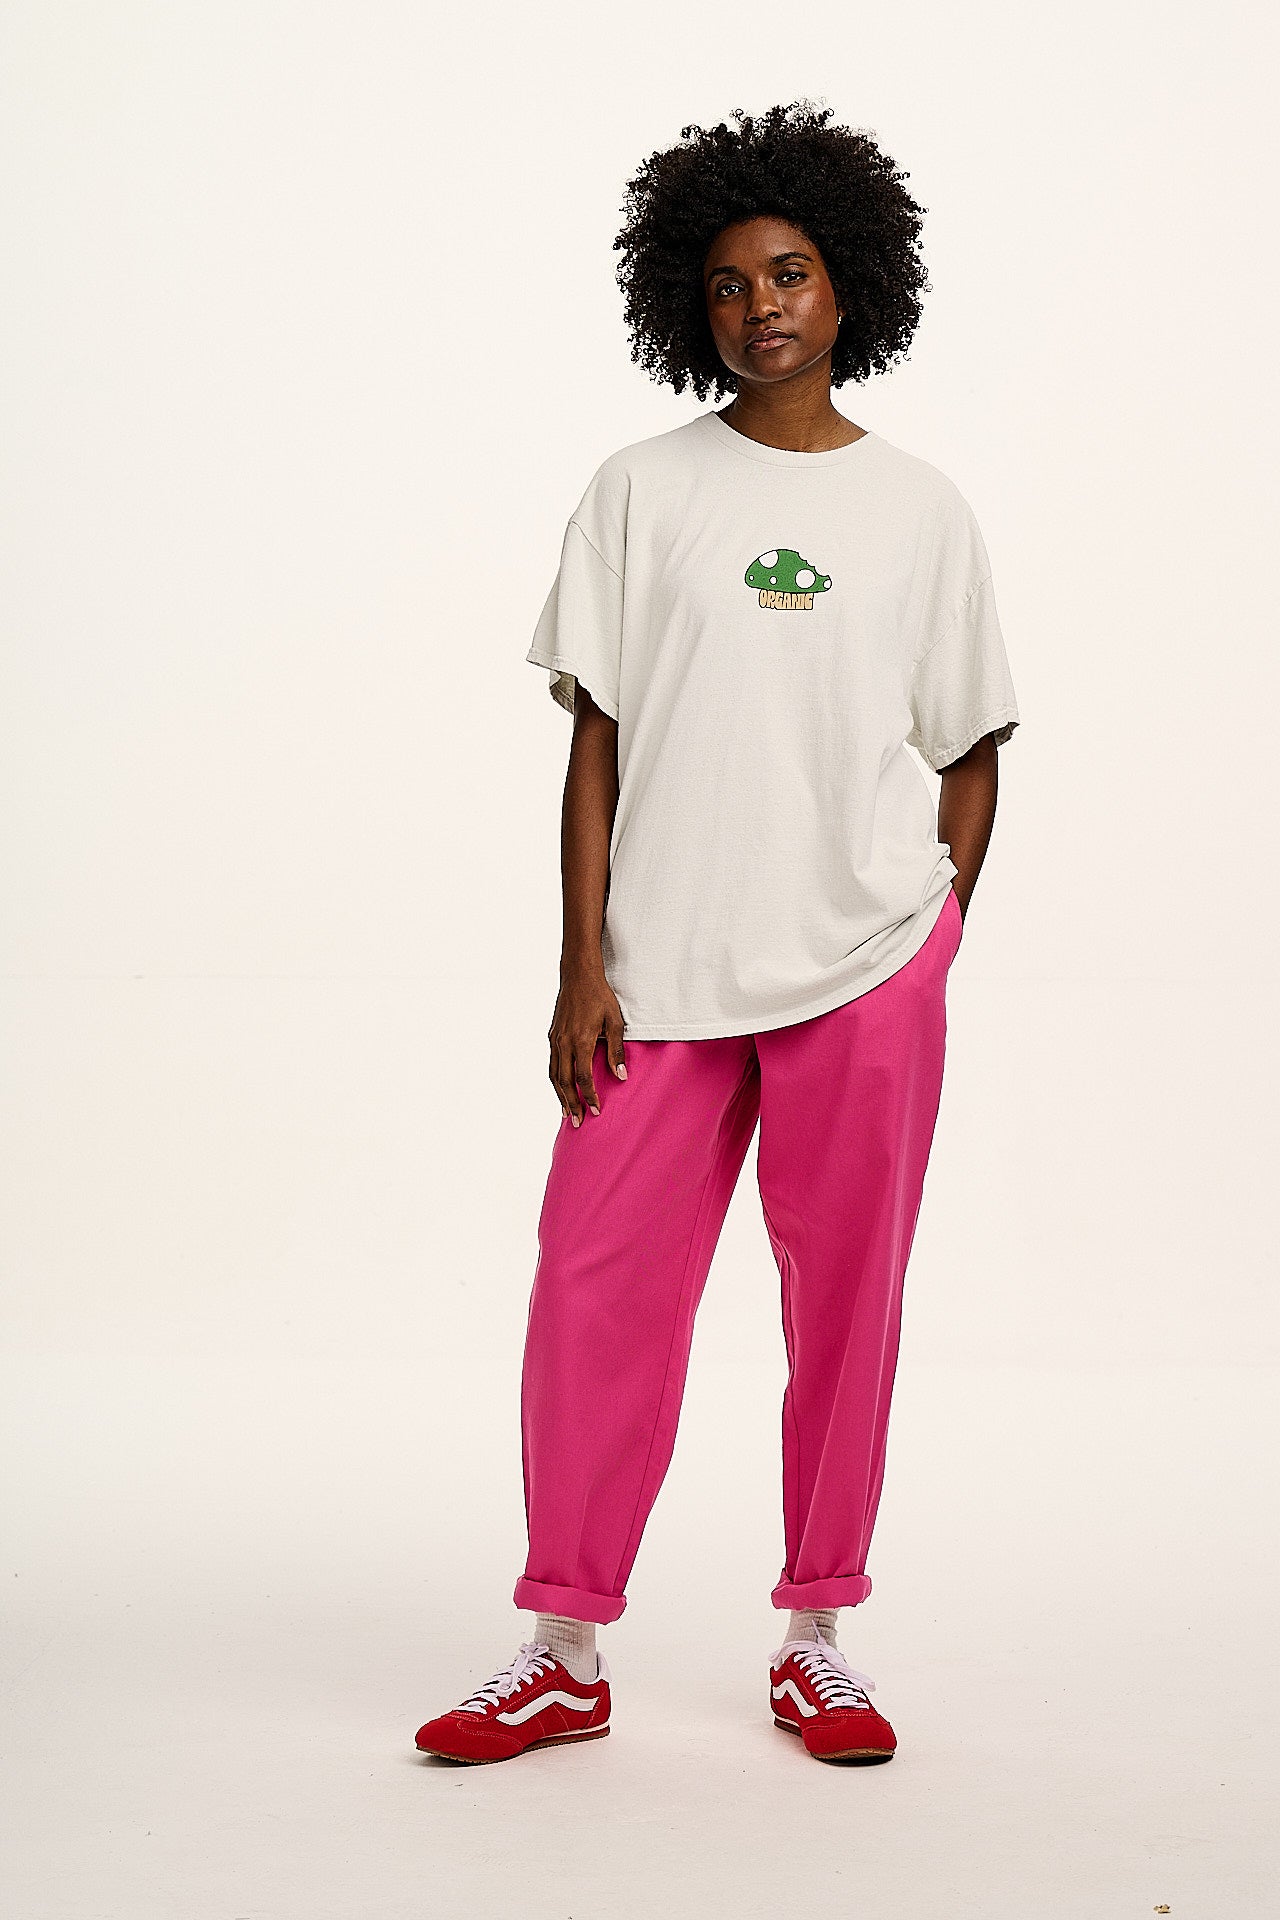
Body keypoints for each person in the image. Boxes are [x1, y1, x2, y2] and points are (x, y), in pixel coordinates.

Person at [415, 99, 1021, 1768]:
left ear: (852, 284)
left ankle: (819, 1635)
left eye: (793, 272)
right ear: (689, 303)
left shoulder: (923, 510)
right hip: (661, 978)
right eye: (730, 282)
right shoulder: (640, 490)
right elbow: (595, 745)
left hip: (865, 976)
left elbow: (974, 745)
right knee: (591, 1288)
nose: (762, 305)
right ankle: (563, 1649)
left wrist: (932, 936)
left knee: (849, 1305)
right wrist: (579, 969)